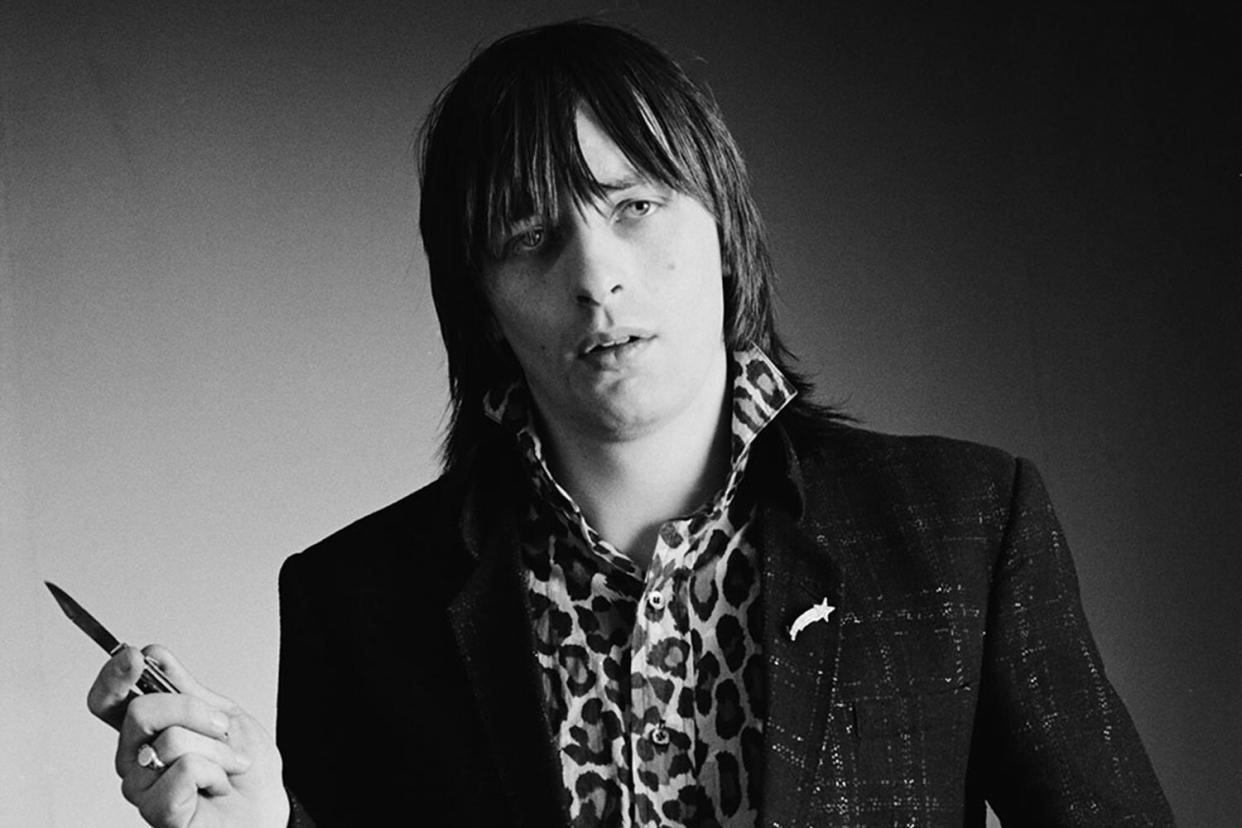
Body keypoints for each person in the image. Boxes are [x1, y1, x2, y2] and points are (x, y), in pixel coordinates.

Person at [88, 20, 1176, 828]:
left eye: (637, 205)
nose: (596, 277)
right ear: (479, 299)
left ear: (723, 225)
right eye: (528, 235)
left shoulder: (960, 530)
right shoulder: (355, 601)